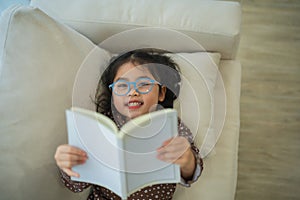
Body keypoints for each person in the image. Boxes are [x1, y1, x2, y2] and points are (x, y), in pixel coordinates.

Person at [54, 49, 203, 200]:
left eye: (144, 84)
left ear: (161, 93)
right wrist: (70, 164)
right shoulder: (100, 127)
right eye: (122, 86)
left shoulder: (171, 125)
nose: (132, 92)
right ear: (112, 95)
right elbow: (76, 185)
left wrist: (187, 160)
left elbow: (192, 173)